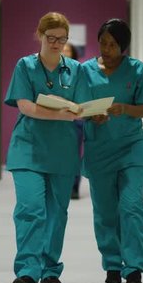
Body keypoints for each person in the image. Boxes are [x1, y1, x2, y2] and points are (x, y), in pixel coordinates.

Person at [4, 12, 86, 283]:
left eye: (62, 39)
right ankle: (28, 270)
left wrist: (88, 112)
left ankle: (50, 269)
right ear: (39, 36)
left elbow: (83, 104)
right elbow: (25, 106)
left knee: (57, 213)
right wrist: (63, 115)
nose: (56, 43)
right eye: (51, 38)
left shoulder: (75, 69)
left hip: (62, 152)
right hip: (27, 149)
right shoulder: (25, 66)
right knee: (30, 209)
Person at [80, 19, 143, 283]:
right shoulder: (85, 71)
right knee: (104, 211)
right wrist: (92, 115)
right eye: (103, 42)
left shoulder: (137, 70)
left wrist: (125, 108)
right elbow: (77, 107)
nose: (106, 48)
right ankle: (113, 265)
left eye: (112, 44)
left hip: (131, 149)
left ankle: (134, 267)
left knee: (131, 205)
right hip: (99, 149)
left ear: (123, 46)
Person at [62, 42, 84, 200]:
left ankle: (74, 187)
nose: (65, 52)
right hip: (57, 119)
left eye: (68, 50)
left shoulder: (79, 71)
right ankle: (62, 185)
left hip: (76, 119)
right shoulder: (51, 72)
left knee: (74, 155)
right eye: (63, 50)